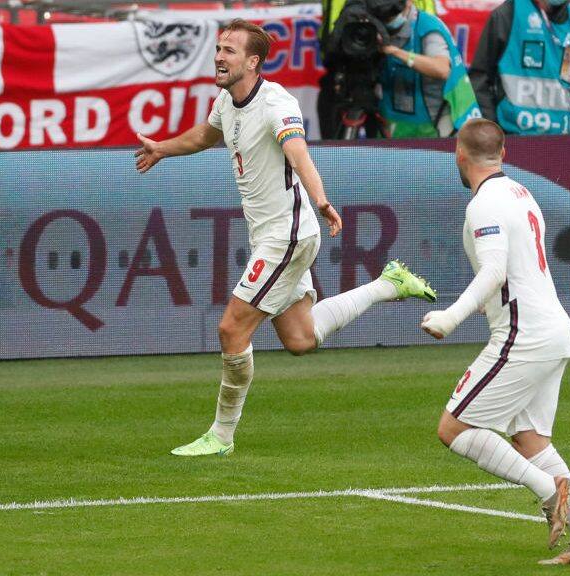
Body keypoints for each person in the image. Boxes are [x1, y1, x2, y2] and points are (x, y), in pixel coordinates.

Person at [135, 19, 437, 457]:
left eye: (229, 51)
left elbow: (297, 151)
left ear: (253, 62)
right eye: (218, 48)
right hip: (270, 237)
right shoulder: (226, 100)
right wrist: (163, 147)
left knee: (231, 327)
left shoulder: (277, 103)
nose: (219, 56)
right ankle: (388, 284)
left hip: (287, 237)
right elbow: (206, 134)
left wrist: (322, 199)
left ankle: (220, 436)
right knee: (300, 339)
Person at [420, 119, 570, 565]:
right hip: (553, 329)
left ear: (460, 156)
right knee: (529, 439)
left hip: (524, 336)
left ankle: (547, 490)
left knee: (454, 428)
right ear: (502, 153)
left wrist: (450, 316)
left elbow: (494, 271)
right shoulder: (522, 194)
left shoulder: (484, 204)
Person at [469, 0, 570, 135]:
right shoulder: (509, 13)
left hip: (567, 141)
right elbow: (479, 79)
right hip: (515, 140)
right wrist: (492, 130)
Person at [378, 0, 480, 137]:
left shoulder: (427, 25)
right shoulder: (378, 25)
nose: (390, 18)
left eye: (393, 14)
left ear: (408, 3)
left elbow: (442, 69)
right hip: (399, 121)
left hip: (438, 120)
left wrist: (396, 53)